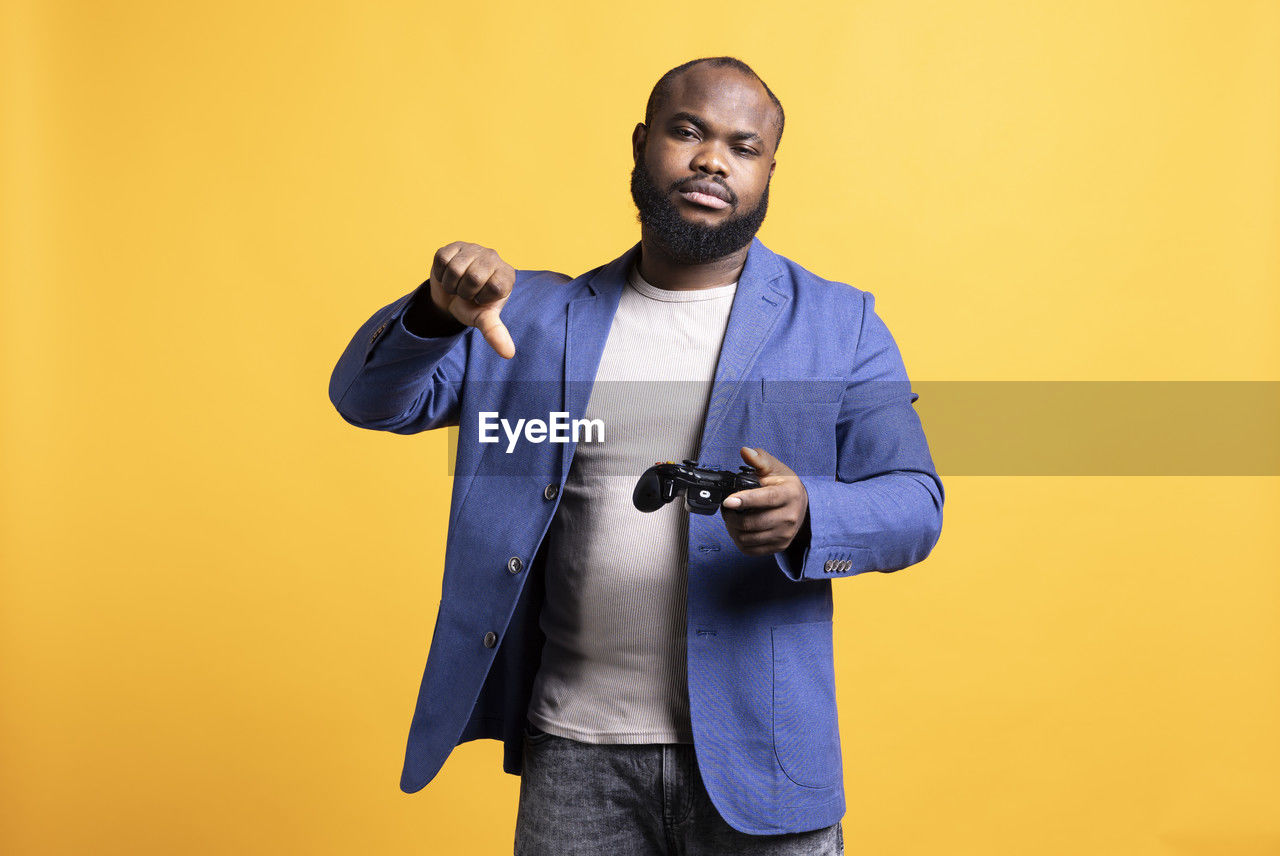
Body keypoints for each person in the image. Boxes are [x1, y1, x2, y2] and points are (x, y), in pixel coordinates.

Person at [329, 56, 944, 855]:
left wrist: (810, 514)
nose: (711, 160)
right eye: (687, 132)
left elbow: (913, 503)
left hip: (764, 764)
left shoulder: (839, 324)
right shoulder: (531, 320)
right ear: (641, 143)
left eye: (743, 147)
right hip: (576, 757)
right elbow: (369, 399)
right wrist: (435, 314)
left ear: (767, 173)